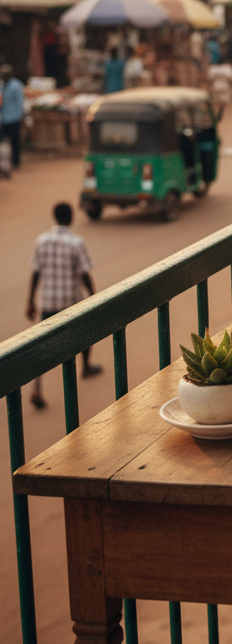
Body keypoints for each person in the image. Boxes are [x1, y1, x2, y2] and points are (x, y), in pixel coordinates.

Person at [26, 202, 102, 408]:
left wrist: (30, 302)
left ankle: (36, 389)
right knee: (85, 334)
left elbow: (36, 272)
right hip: (71, 301)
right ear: (70, 218)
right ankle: (85, 367)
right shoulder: (76, 242)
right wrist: (94, 296)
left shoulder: (41, 240)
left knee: (42, 347)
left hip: (48, 301)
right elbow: (84, 272)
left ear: (54, 217)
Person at [0, 63, 25, 168]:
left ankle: (16, 161)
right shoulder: (1, 86)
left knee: (15, 140)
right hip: (3, 118)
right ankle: (5, 163)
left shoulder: (16, 86)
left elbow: (20, 102)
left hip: (14, 117)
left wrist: (21, 116)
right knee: (4, 142)